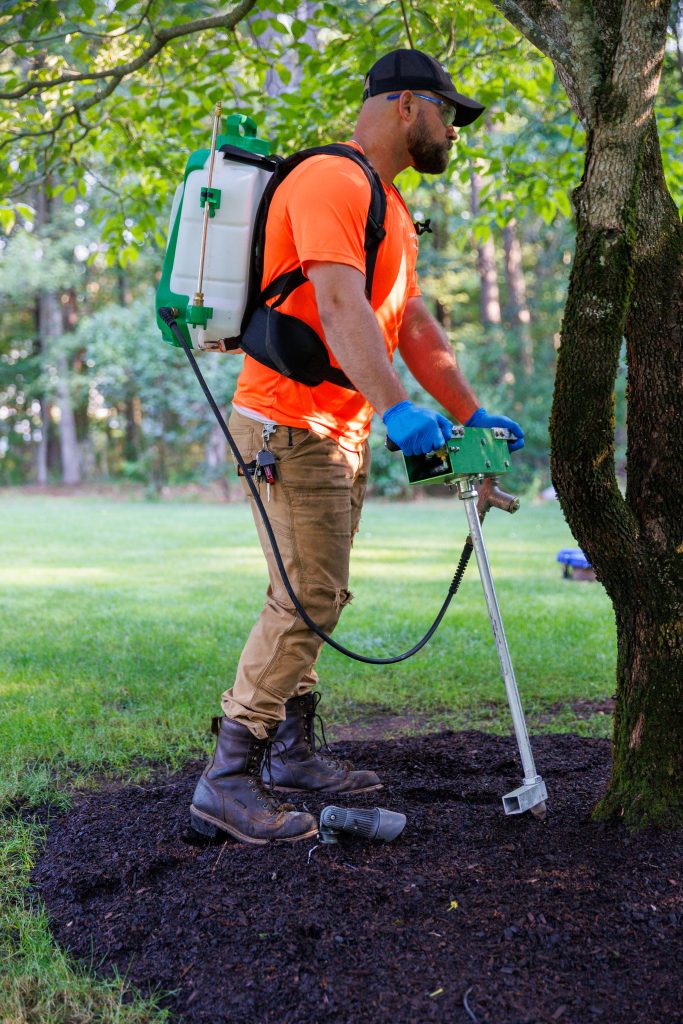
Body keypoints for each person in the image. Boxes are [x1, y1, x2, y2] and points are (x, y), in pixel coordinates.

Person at [190, 49, 524, 846]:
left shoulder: (389, 207)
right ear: (407, 105)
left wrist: (469, 412)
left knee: (310, 594)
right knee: (309, 598)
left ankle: (294, 756)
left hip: (338, 431)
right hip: (289, 426)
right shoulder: (331, 182)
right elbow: (340, 308)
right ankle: (227, 779)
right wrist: (401, 410)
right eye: (448, 113)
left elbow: (406, 323)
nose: (453, 131)